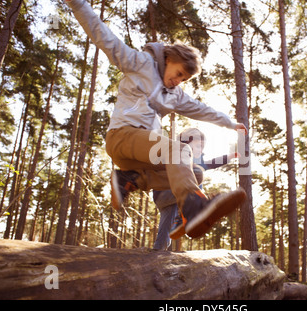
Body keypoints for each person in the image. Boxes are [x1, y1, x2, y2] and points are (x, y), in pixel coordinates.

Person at [65, 0, 247, 239]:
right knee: (179, 150)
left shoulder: (175, 95)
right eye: (178, 73)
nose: (177, 81)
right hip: (122, 136)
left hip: (140, 153)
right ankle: (193, 210)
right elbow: (104, 37)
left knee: (197, 173)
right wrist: (78, 5)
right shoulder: (140, 63)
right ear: (169, 58)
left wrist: (229, 123)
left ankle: (130, 179)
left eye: (183, 80)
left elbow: (200, 109)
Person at [153, 128, 239, 250]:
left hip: (170, 199)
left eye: (202, 147)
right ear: (186, 143)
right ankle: (194, 208)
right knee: (196, 174)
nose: (201, 150)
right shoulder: (177, 152)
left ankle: (160, 249)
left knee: (165, 231)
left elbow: (211, 163)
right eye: (198, 146)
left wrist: (229, 157)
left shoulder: (196, 160)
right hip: (165, 193)